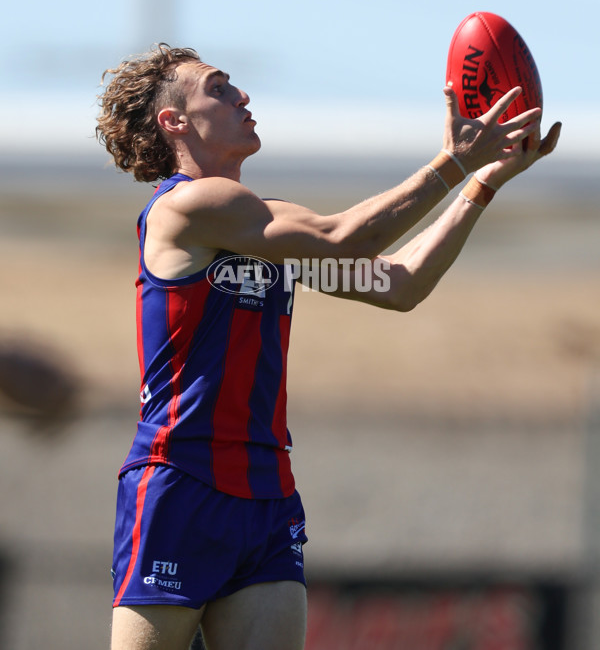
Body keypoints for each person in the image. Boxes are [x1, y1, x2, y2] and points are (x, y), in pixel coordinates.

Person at [96, 43, 561, 650]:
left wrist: (482, 181)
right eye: (220, 87)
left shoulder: (268, 226)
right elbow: (347, 239)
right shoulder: (190, 206)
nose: (242, 96)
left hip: (266, 491)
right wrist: (452, 160)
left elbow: (398, 283)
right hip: (180, 482)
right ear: (174, 122)